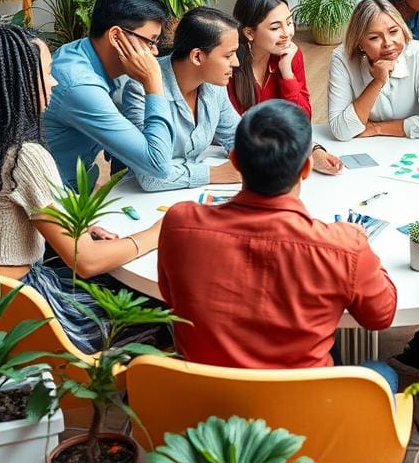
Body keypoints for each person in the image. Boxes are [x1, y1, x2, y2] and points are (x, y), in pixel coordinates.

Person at [0, 25, 163, 353]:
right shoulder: (24, 155)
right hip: (23, 315)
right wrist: (156, 233)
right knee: (160, 309)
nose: (54, 82)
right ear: (17, 84)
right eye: (47, 73)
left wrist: (71, 227)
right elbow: (86, 261)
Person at [157, 100, 398, 389]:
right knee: (383, 374)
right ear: (307, 168)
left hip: (208, 410)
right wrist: (359, 243)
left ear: (234, 161)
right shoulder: (344, 246)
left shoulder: (179, 223)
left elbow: (172, 297)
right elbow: (381, 316)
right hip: (300, 417)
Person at [44, 0, 173, 186]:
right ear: (116, 36)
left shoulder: (88, 54)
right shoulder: (79, 84)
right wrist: (153, 83)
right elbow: (158, 166)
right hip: (54, 204)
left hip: (83, 186)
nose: (154, 52)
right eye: (150, 41)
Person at [122, 7, 242, 191]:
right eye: (228, 55)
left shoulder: (214, 85)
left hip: (195, 194)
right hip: (146, 202)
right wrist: (215, 174)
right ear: (197, 56)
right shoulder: (139, 89)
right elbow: (150, 176)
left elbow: (239, 137)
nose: (236, 62)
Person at [228, 0, 342, 175]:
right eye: (275, 27)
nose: (287, 33)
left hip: (275, 154)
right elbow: (234, 129)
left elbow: (302, 119)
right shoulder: (230, 63)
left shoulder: (290, 55)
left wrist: (287, 72)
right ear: (249, 33)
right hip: (237, 158)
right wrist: (308, 151)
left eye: (289, 23)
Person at [327, 0, 419, 141]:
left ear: (402, 29)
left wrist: (377, 128)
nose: (388, 43)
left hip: (413, 146)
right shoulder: (342, 58)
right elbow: (341, 130)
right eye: (374, 38)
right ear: (360, 43)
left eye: (393, 31)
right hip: (365, 146)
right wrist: (377, 82)